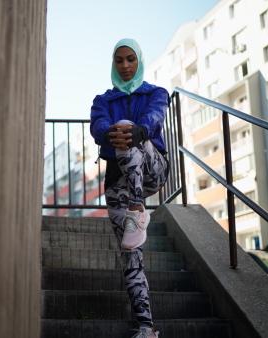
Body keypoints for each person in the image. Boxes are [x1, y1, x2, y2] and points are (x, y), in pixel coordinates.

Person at [89, 38, 169, 338]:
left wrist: (139, 130)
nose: (125, 65)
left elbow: (156, 116)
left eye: (130, 59)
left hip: (152, 169)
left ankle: (139, 206)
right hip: (118, 182)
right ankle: (146, 327)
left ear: (139, 61)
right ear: (114, 63)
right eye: (119, 60)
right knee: (132, 257)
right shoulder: (102, 100)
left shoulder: (155, 93)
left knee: (128, 127)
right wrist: (113, 133)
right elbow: (97, 126)